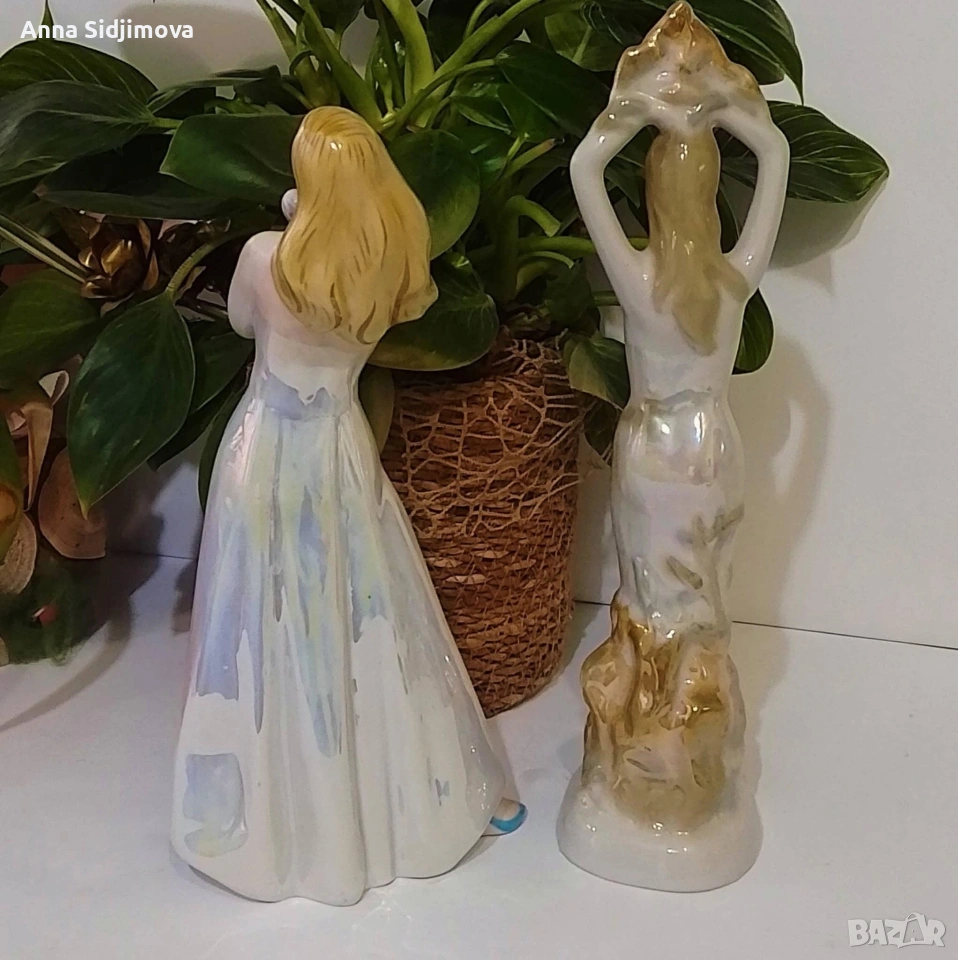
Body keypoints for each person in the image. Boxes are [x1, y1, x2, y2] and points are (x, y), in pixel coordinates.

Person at [172, 107, 525, 907]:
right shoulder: (390, 261)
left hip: (268, 451)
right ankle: (411, 803)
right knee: (374, 618)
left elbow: (241, 321)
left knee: (262, 623)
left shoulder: (265, 257)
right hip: (340, 447)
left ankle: (283, 825)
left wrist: (294, 223)